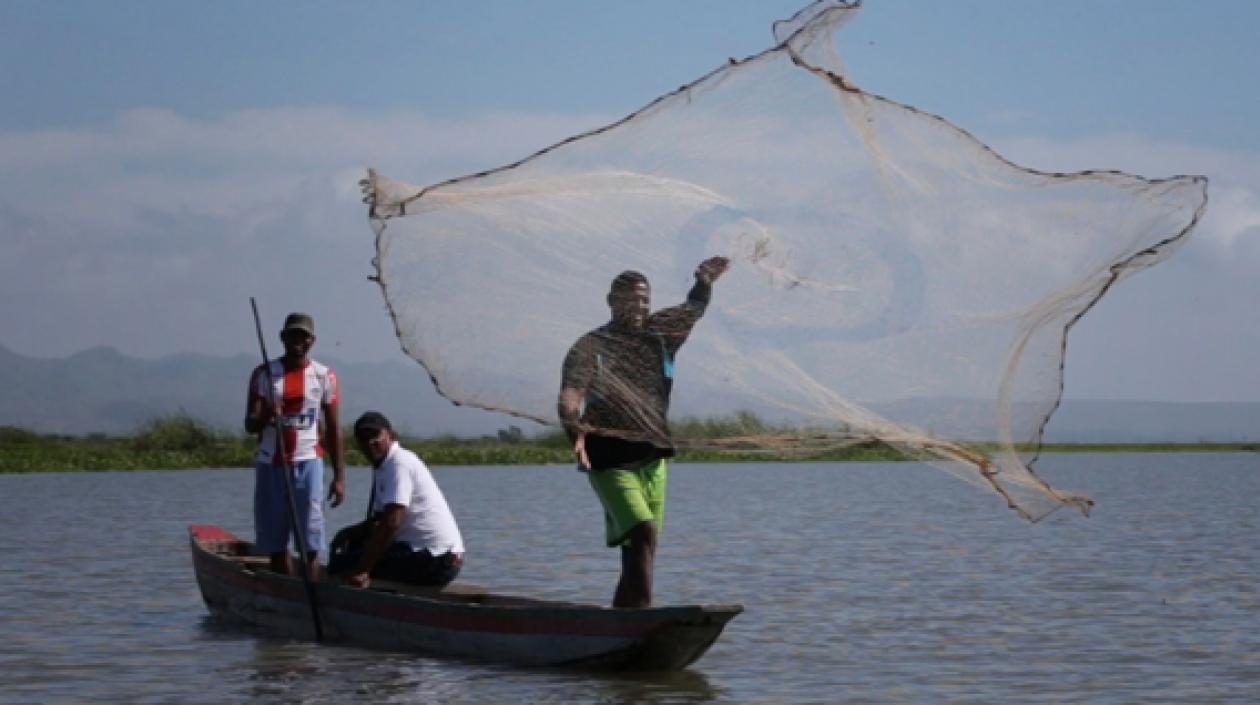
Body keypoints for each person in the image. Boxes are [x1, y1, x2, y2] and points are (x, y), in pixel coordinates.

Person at [558, 256, 730, 608]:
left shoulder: (661, 335)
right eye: (629, 299)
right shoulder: (591, 345)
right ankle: (638, 622)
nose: (638, 306)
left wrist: (704, 282)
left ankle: (626, 619)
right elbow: (572, 391)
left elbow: (693, 307)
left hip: (653, 457)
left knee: (641, 548)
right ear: (611, 301)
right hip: (607, 457)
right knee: (642, 532)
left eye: (644, 300)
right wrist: (570, 419)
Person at [244, 312, 346, 579]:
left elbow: (334, 429)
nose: (297, 341)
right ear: (283, 338)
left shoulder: (324, 376)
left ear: (311, 340)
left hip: (308, 463)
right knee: (275, 542)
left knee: (310, 543)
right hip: (271, 464)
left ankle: (311, 591)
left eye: (303, 336)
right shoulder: (264, 374)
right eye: (292, 335)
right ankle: (286, 592)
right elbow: (250, 424)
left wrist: (339, 478)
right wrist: (267, 414)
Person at [329, 411, 465, 589]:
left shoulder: (399, 463)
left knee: (341, 565)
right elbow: (378, 521)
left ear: (391, 436)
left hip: (437, 560)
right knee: (352, 545)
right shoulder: (385, 465)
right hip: (426, 554)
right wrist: (348, 533)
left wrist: (362, 570)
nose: (370, 443)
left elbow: (391, 523)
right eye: (363, 438)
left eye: (375, 436)